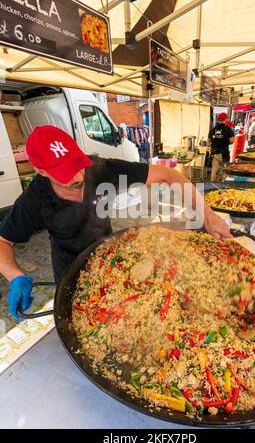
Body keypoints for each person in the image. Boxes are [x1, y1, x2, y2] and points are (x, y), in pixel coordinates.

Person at [0, 125, 231, 320]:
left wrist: (208, 216)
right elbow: (2, 241)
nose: (78, 176)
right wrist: (15, 275)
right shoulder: (33, 199)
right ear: (41, 171)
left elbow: (169, 176)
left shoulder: (100, 169)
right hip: (70, 270)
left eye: (76, 164)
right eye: (65, 173)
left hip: (109, 258)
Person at [208, 113, 235, 182]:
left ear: (218, 119)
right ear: (225, 119)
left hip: (215, 153)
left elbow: (209, 140)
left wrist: (216, 139)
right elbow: (232, 141)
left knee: (214, 170)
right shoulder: (228, 129)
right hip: (224, 153)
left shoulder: (212, 130)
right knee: (225, 170)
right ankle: (223, 184)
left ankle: (213, 184)